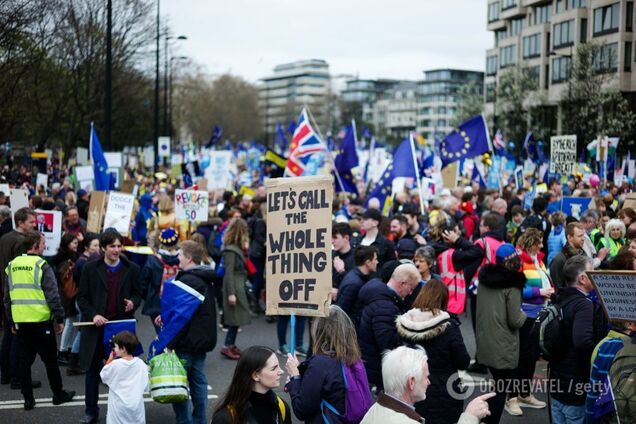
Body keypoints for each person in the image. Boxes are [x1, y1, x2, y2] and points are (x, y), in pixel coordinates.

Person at [3, 230, 75, 409]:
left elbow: (7, 298)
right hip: (42, 323)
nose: (45, 246)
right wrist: (59, 318)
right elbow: (53, 295)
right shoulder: (41, 265)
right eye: (43, 243)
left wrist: (11, 321)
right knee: (50, 362)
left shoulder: (12, 266)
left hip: (21, 324)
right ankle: (58, 394)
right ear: (35, 245)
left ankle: (28, 399)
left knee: (23, 363)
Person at [77, 230, 142, 424]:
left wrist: (133, 303)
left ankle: (125, 411)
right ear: (103, 248)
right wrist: (93, 315)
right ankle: (91, 411)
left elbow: (138, 294)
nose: (116, 249)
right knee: (92, 371)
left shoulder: (132, 268)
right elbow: (82, 298)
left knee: (124, 371)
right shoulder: (90, 268)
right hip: (97, 328)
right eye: (112, 246)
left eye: (119, 246)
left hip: (120, 328)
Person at [157, 240, 217, 424]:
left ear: (189, 258)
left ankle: (184, 421)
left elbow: (180, 318)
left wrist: (169, 343)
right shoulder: (204, 278)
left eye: (180, 254)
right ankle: (200, 420)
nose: (178, 257)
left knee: (178, 385)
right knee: (198, 381)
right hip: (202, 340)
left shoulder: (188, 281)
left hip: (185, 342)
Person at [396, 279, 471, 424]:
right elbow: (463, 361)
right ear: (443, 299)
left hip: (412, 389)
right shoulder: (449, 327)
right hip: (445, 391)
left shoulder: (405, 324)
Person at [360, 346, 494, 424]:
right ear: (411, 382)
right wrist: (470, 416)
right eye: (426, 377)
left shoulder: (373, 411)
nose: (429, 382)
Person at [548, 256, 609, 424]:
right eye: (592, 272)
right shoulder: (583, 304)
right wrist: (600, 354)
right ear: (583, 279)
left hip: (557, 380)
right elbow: (582, 342)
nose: (595, 275)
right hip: (575, 384)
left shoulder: (561, 297)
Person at [285, 305, 371, 423]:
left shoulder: (320, 363)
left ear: (318, 331)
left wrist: (295, 376)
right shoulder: (353, 358)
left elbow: (302, 410)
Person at [475, 243, 527, 423]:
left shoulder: (484, 279)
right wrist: (525, 314)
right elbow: (515, 320)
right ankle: (489, 420)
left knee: (497, 385)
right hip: (503, 345)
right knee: (500, 389)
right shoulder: (512, 284)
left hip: (485, 341)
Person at [509, 228, 553, 415]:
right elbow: (516, 288)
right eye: (539, 242)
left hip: (539, 313)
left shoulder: (538, 260)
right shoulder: (520, 262)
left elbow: (544, 280)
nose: (542, 245)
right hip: (525, 314)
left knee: (532, 356)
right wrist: (540, 292)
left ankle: (525, 394)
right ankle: (511, 398)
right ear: (531, 243)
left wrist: (549, 289)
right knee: (521, 358)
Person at [357, 263, 420, 390]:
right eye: (411, 287)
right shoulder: (385, 306)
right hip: (377, 368)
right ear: (402, 283)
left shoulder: (381, 298)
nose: (411, 292)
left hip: (370, 363)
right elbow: (388, 343)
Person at [0, 207, 37, 389]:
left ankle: (5, 374)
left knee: (8, 334)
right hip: (17, 294)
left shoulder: (5, 238)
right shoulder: (22, 242)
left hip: (6, 290)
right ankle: (17, 376)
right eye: (31, 222)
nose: (34, 224)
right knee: (17, 336)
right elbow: (22, 270)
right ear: (21, 222)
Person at [212, 346, 291, 424]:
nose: (281, 371)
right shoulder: (226, 418)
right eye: (274, 368)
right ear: (256, 375)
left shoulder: (281, 406)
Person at [99, 331, 148, 424]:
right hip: (136, 405)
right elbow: (146, 382)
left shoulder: (115, 364)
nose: (114, 349)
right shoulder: (140, 364)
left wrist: (110, 359)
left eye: (116, 346)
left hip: (118, 407)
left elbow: (104, 376)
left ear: (123, 349)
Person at [220, 218, 251, 360]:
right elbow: (229, 273)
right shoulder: (231, 251)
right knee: (234, 318)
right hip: (235, 287)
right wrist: (231, 293)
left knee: (236, 317)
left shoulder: (235, 248)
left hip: (238, 284)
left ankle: (230, 344)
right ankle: (228, 345)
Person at [140, 228, 180, 334]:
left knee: (161, 333)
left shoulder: (153, 259)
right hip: (178, 302)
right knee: (175, 333)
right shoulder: (182, 259)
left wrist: (147, 296)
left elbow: (143, 282)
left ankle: (164, 350)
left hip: (157, 303)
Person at [51, 232, 80, 365]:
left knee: (72, 323)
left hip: (68, 295)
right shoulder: (66, 261)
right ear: (67, 244)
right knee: (70, 323)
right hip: (68, 296)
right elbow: (66, 281)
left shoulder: (66, 258)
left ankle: (66, 349)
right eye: (74, 243)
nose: (77, 245)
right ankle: (62, 352)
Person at [334, 245, 378, 323]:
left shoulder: (356, 276)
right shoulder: (354, 283)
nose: (377, 262)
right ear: (368, 262)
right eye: (375, 259)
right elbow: (342, 312)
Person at [331, 222, 355, 299]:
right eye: (331, 238)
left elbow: (356, 284)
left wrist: (341, 271)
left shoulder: (357, 257)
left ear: (346, 238)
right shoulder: (330, 255)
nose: (332, 241)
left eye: (335, 237)